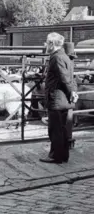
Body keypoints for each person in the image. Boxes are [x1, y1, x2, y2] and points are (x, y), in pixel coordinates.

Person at [40, 33, 78, 164]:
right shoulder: (65, 56)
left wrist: (71, 91)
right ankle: (63, 155)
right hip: (64, 98)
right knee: (62, 128)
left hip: (56, 98)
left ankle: (55, 156)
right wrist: (73, 92)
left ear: (51, 44)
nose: (45, 45)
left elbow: (64, 77)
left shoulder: (56, 58)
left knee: (55, 129)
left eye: (47, 42)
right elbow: (70, 77)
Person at [63, 42, 78, 149]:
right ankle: (67, 140)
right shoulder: (70, 62)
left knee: (64, 119)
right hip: (71, 91)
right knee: (67, 117)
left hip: (66, 93)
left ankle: (66, 141)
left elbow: (66, 79)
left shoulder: (64, 62)